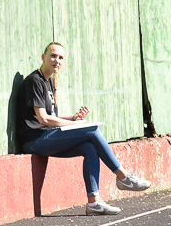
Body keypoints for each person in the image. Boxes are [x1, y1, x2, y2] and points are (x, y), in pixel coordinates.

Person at [16, 42, 151, 215]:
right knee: (92, 131)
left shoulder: (49, 82)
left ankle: (93, 203)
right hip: (34, 141)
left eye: (61, 57)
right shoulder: (35, 81)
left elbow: (52, 116)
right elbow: (44, 119)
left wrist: (73, 118)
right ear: (43, 57)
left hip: (45, 137)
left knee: (89, 148)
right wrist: (76, 125)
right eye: (53, 55)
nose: (57, 60)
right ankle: (123, 176)